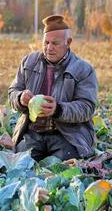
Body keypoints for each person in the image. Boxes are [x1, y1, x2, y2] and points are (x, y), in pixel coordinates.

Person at [8, 15, 98, 161]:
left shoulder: (83, 70)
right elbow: (12, 92)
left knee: (64, 170)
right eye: (46, 42)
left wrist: (58, 110)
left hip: (67, 135)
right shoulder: (28, 63)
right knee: (21, 166)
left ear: (68, 42)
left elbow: (87, 107)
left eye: (55, 43)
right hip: (32, 133)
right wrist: (20, 98)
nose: (49, 48)